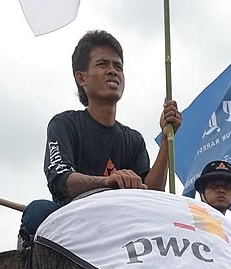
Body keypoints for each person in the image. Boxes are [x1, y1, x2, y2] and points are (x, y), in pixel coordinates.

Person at [19, 30, 182, 242]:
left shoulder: (133, 139)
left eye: (118, 66)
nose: (113, 71)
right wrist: (109, 182)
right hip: (76, 223)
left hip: (123, 227)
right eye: (103, 64)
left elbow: (150, 195)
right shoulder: (64, 124)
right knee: (37, 212)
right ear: (81, 77)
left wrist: (166, 140)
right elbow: (61, 181)